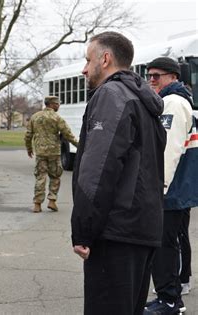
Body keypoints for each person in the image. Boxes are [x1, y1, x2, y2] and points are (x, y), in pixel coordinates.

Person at [70, 31, 166, 315]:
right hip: (143, 228)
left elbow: (99, 168)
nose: (84, 68)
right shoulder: (143, 99)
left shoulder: (112, 95)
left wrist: (83, 230)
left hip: (117, 233)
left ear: (106, 58)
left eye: (88, 60)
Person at [143, 57, 196, 314]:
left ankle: (169, 300)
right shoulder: (176, 100)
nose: (152, 79)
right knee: (169, 243)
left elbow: (168, 150)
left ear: (173, 76)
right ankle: (169, 296)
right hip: (177, 188)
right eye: (149, 75)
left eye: (158, 75)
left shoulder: (173, 103)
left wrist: (158, 188)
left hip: (169, 189)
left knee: (163, 245)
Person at [24, 96, 78, 213]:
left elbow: (28, 135)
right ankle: (52, 201)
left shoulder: (35, 117)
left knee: (40, 177)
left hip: (40, 153)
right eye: (58, 104)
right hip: (54, 153)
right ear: (52, 104)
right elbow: (68, 135)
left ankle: (37, 204)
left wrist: (29, 148)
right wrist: (80, 146)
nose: (59, 106)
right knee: (55, 177)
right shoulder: (57, 118)